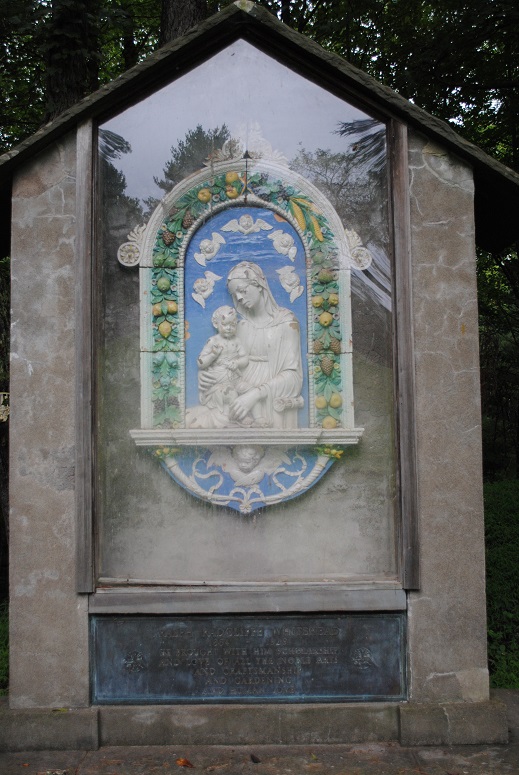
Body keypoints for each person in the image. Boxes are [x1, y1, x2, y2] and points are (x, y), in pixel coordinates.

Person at [225, 261, 303, 429]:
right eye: (234, 294)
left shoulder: (286, 322)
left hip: (272, 403)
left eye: (242, 290)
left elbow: (293, 377)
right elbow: (231, 367)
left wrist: (254, 395)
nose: (239, 298)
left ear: (258, 285)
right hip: (241, 401)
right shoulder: (241, 327)